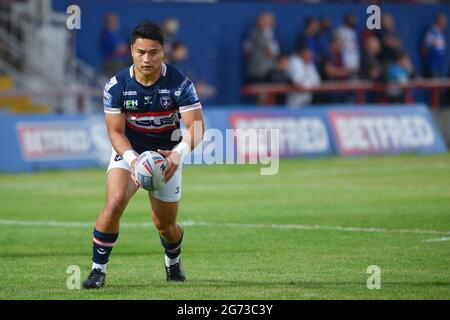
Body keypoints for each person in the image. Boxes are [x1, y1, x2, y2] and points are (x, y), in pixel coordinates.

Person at [83, 21, 205, 289]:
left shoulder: (180, 84)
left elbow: (195, 129)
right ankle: (97, 270)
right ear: (131, 51)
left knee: (165, 225)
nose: (146, 58)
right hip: (130, 152)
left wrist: (177, 155)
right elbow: (115, 133)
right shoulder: (116, 86)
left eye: (153, 52)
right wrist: (133, 160)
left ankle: (173, 262)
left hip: (167, 157)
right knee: (114, 202)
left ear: (164, 51)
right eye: (141, 52)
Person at [243, 11, 280, 83]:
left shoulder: (270, 34)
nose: (268, 23)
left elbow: (274, 53)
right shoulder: (253, 34)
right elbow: (246, 52)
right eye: (265, 21)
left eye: (270, 21)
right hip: (258, 72)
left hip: (270, 71)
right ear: (258, 21)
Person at [99, 12, 130, 78]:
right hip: (113, 63)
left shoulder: (111, 34)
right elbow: (119, 49)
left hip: (112, 62)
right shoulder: (108, 34)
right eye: (115, 21)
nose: (117, 23)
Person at [421, 13, 447, 78]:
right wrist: (429, 60)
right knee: (434, 85)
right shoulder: (431, 32)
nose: (446, 23)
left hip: (439, 64)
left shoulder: (440, 33)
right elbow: (425, 47)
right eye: (444, 21)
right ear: (439, 21)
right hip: (432, 64)